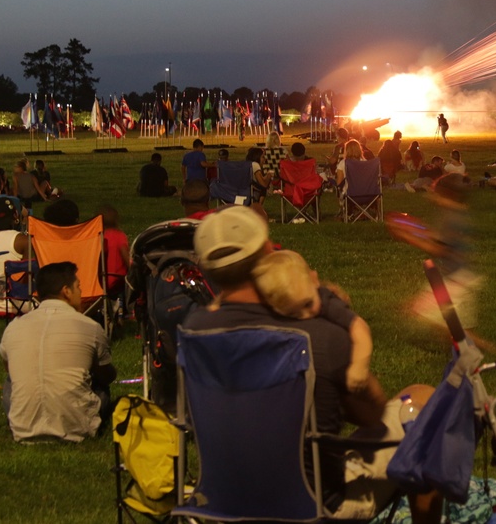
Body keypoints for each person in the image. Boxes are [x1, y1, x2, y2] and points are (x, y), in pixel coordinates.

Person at [184, 207, 441, 522]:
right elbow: (371, 416)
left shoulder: (194, 331)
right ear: (268, 252)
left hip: (225, 502)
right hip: (314, 505)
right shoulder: (315, 335)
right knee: (427, 403)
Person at [0, 261, 116, 443]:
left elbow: (8, 368)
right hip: (79, 427)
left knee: (11, 379)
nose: (80, 293)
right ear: (66, 291)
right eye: (78, 287)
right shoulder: (90, 327)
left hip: (23, 429)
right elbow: (107, 375)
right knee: (99, 381)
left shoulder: (14, 327)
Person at [253, 250, 373, 392]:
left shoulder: (328, 302)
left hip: (339, 361)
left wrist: (359, 365)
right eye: (293, 313)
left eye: (308, 304)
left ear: (315, 280)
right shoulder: (301, 295)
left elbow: (359, 326)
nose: (305, 316)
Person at [99, 204, 130, 298]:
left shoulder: (98, 237)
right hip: (117, 282)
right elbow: (126, 259)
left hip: (98, 283)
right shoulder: (119, 236)